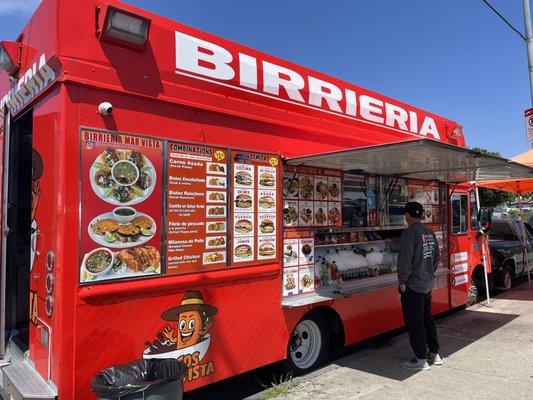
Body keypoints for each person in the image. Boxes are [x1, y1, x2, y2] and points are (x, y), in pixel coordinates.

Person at [398, 201, 447, 370]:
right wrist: (428, 273)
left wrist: (402, 281)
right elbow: (436, 257)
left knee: (415, 322)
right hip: (427, 284)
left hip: (413, 285)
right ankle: (434, 353)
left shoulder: (409, 234)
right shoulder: (429, 232)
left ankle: (420, 359)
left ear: (408, 215)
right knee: (427, 318)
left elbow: (405, 261)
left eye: (406, 214)